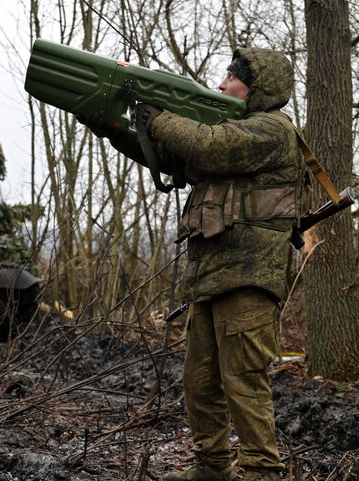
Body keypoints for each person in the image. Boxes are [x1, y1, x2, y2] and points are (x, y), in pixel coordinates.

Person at [79, 48, 303, 481]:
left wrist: (155, 112)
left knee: (243, 379)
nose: (221, 84)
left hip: (251, 276)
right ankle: (212, 468)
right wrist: (111, 126)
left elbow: (205, 146)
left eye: (232, 77)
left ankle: (261, 471)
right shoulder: (234, 130)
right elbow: (170, 156)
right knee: (200, 382)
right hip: (212, 275)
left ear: (256, 88)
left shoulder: (272, 131)